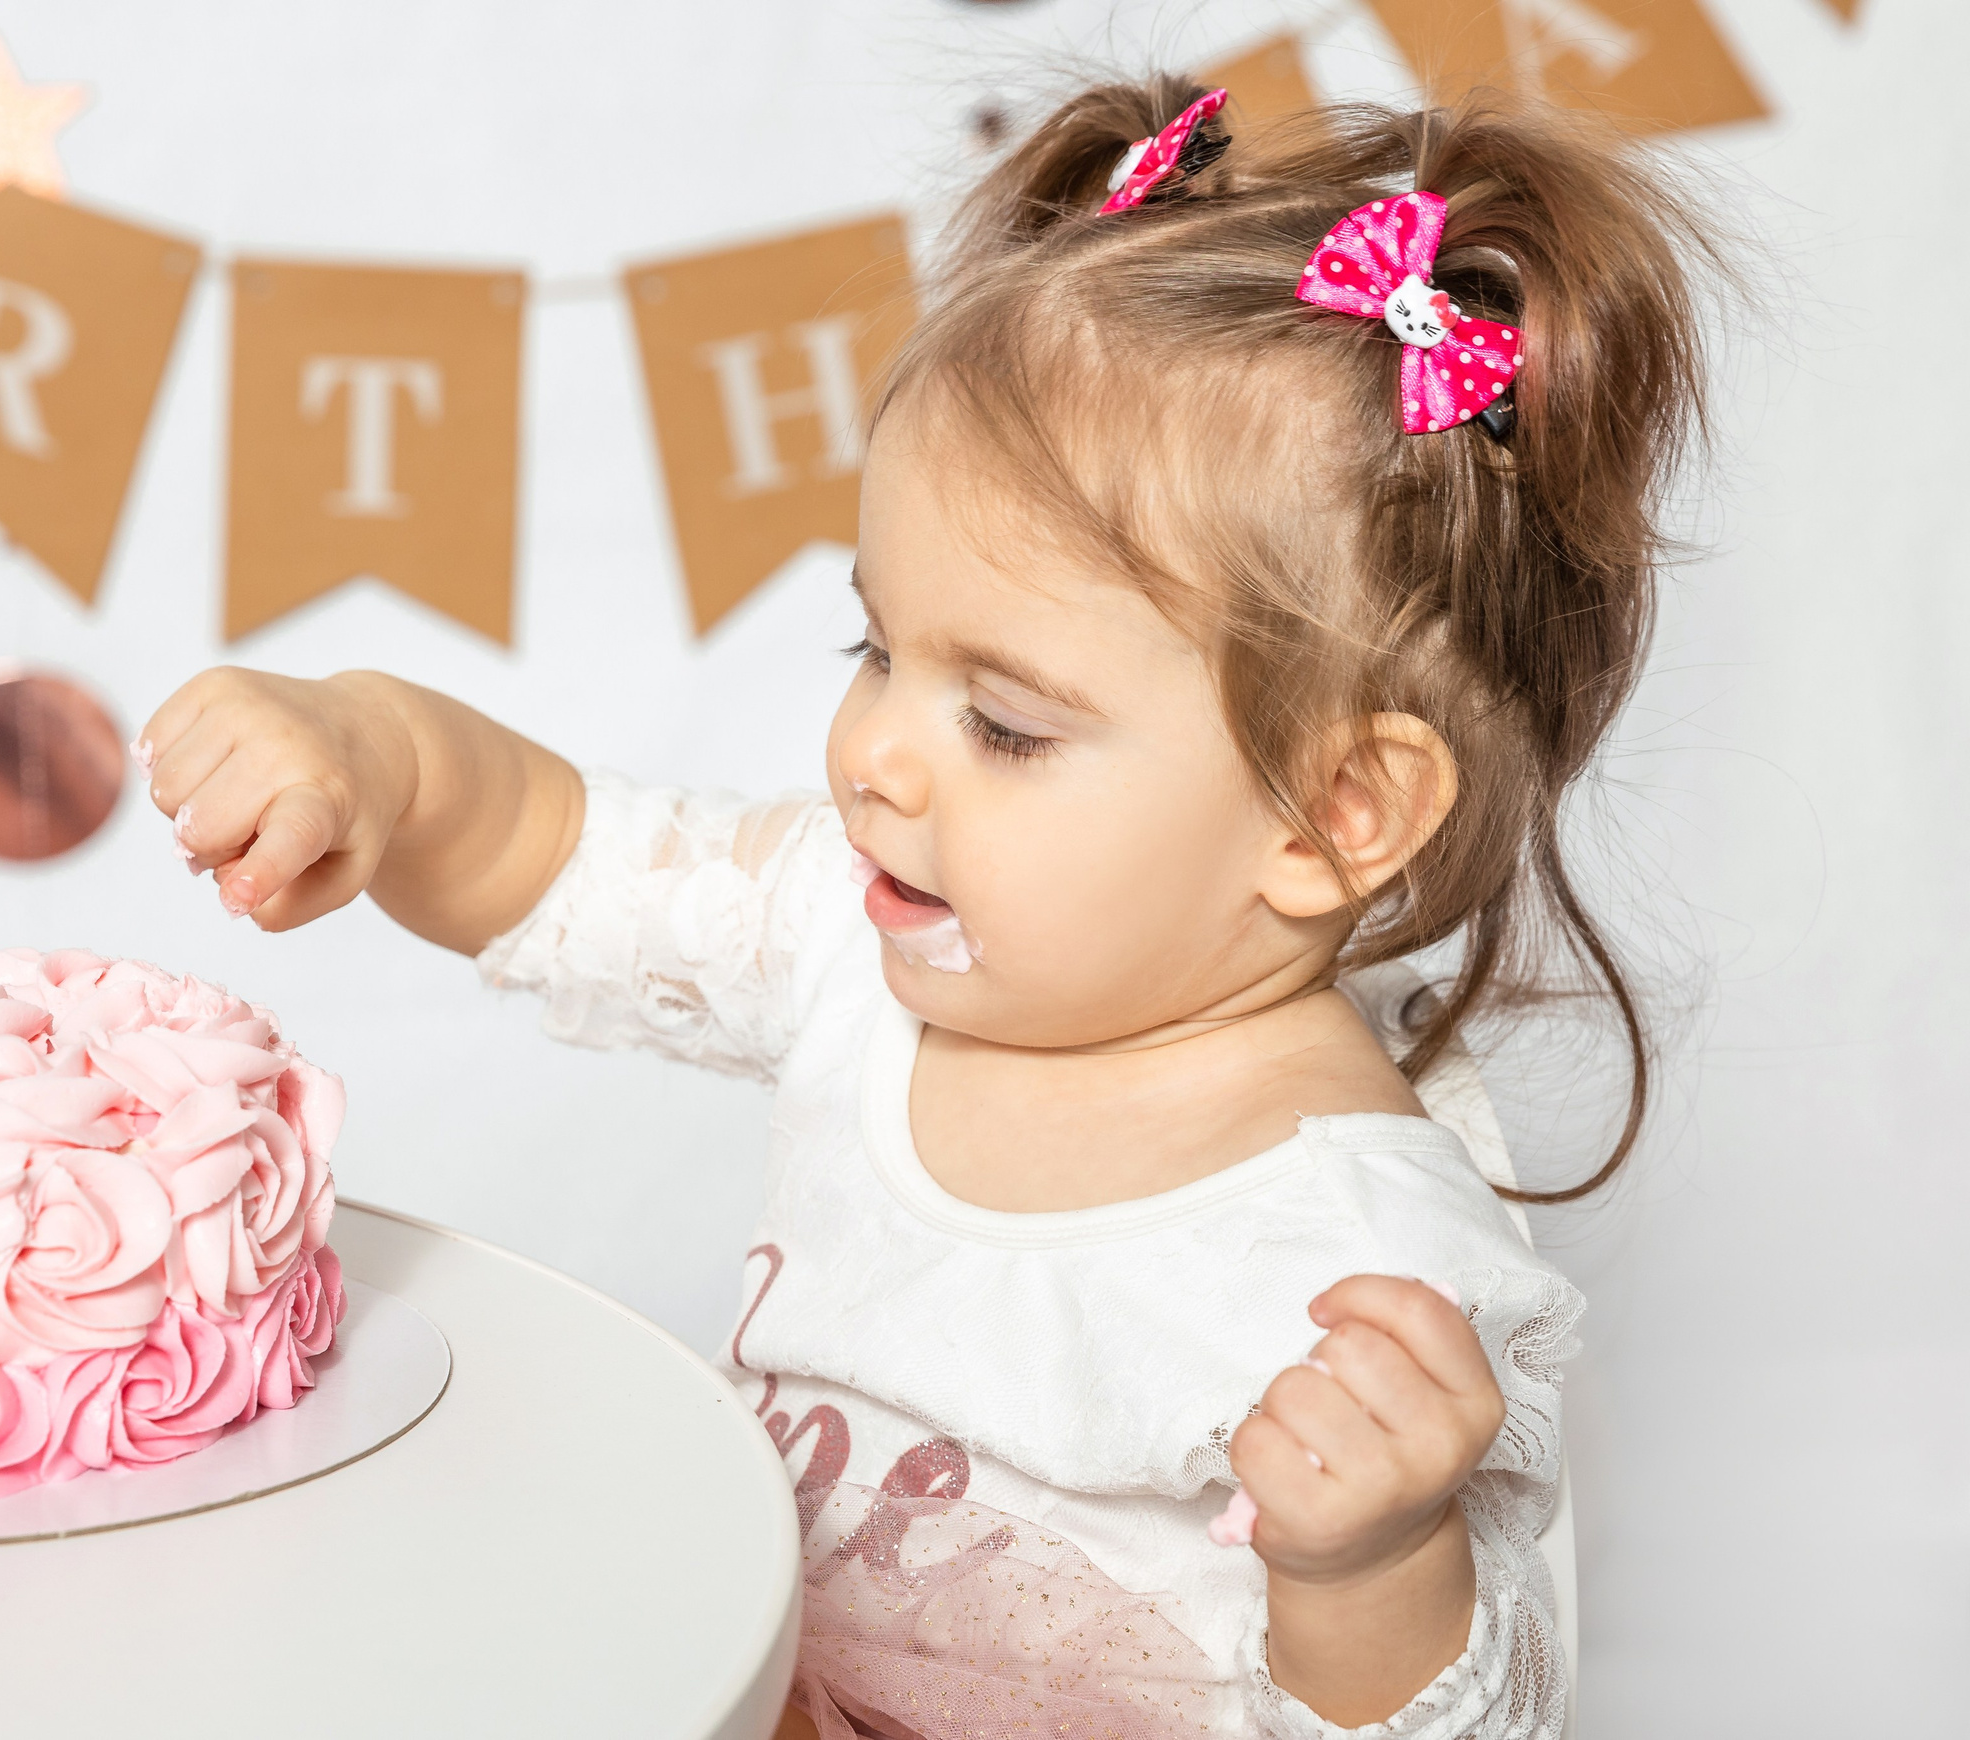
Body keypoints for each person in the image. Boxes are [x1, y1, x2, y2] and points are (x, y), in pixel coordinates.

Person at [136, 73, 1714, 1738]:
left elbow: (1466, 1720)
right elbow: (557, 853)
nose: (874, 753)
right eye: (876, 647)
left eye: (1006, 725)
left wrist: (1374, 1575)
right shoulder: (860, 940)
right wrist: (379, 754)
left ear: (1336, 815)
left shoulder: (1357, 1265)